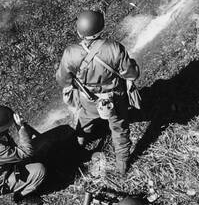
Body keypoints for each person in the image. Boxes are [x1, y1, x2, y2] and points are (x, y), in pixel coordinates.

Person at [55, 10, 140, 177]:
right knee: (119, 129)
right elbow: (132, 74)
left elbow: (63, 81)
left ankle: (79, 144)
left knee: (85, 120)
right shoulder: (115, 48)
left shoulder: (70, 53)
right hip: (115, 99)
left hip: (88, 100)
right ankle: (122, 166)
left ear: (79, 31)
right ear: (102, 28)